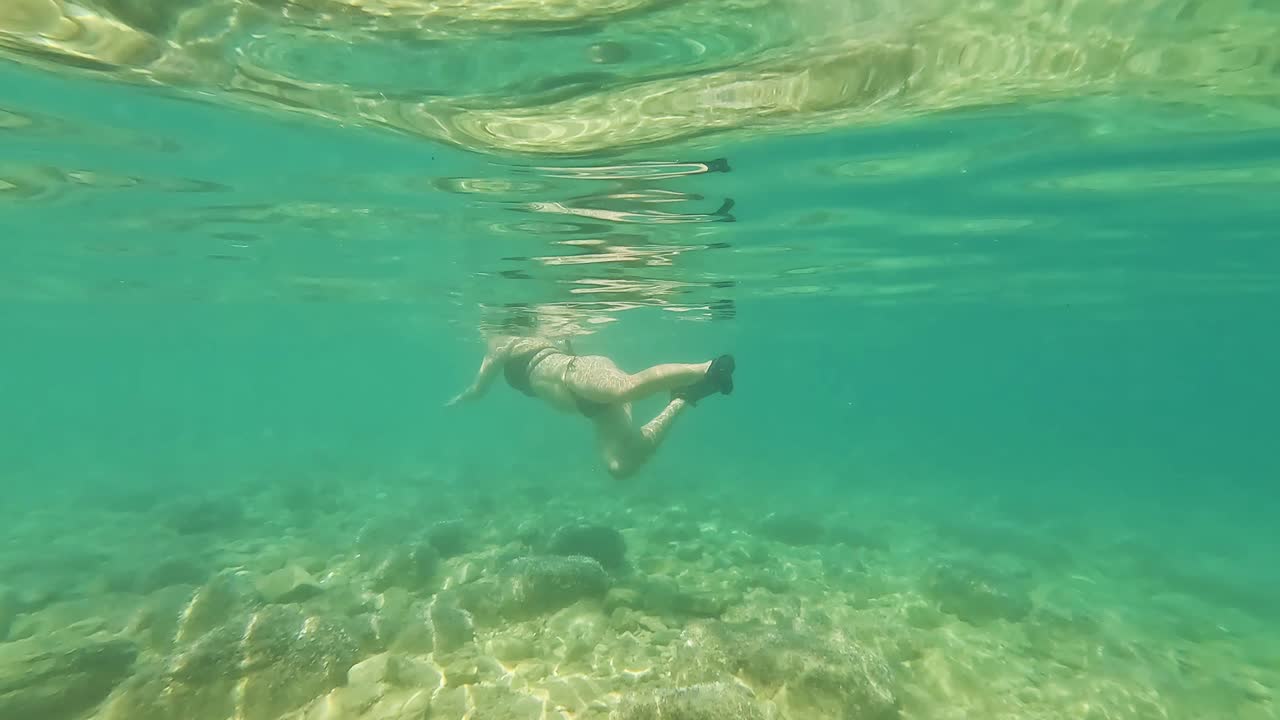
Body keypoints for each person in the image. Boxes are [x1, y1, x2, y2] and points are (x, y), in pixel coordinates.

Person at [446, 330, 735, 480]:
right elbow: (478, 390)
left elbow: (478, 389)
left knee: (625, 388)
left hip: (577, 372)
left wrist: (462, 398)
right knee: (618, 467)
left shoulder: (508, 341)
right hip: (591, 408)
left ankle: (709, 367)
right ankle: (684, 398)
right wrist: (460, 400)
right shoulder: (505, 347)